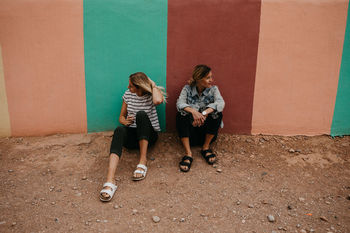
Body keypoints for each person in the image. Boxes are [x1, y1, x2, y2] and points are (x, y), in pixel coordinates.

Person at [100, 72, 166, 202]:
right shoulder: (128, 94)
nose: (128, 87)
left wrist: (152, 84)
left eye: (131, 86)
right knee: (119, 130)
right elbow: (121, 117)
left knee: (141, 115)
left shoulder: (151, 95)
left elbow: (158, 100)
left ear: (140, 87)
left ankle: (142, 161)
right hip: (132, 137)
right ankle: (110, 179)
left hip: (149, 136)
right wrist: (124, 122)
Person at [176, 64, 225, 172]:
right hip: (191, 133)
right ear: (198, 78)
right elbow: (180, 103)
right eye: (208, 78)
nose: (211, 80)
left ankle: (205, 148)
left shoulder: (214, 90)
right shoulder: (187, 89)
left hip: (206, 133)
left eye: (211, 77)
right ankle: (188, 153)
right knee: (181, 114)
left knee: (217, 113)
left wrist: (204, 113)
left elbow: (221, 103)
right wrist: (193, 112)